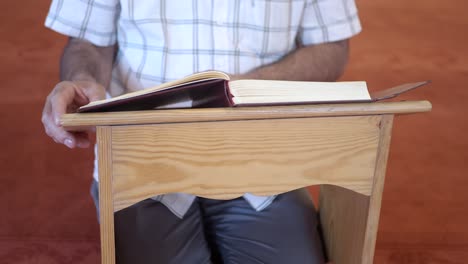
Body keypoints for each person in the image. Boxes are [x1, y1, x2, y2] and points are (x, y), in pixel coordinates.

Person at [42, 1, 361, 263]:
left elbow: (331, 45)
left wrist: (249, 86)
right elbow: (87, 41)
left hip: (263, 161)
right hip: (146, 163)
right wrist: (82, 80)